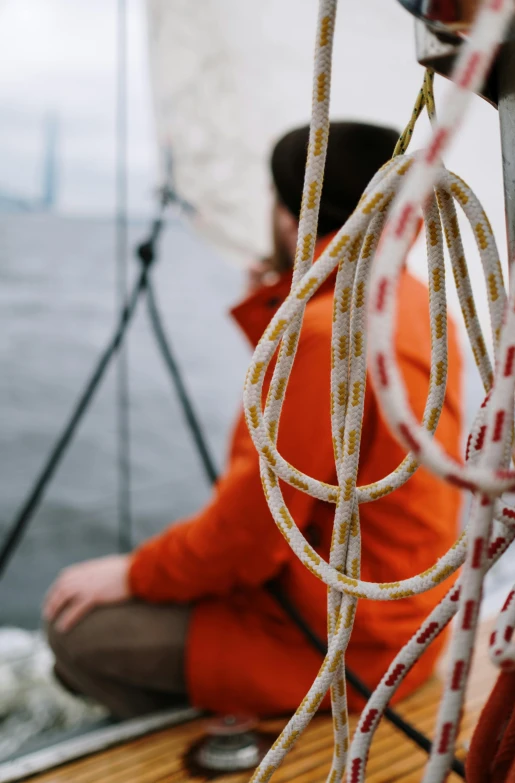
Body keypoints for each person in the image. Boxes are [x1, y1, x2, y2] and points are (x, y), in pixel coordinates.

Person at [44, 122, 463, 720]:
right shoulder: (413, 301)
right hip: (407, 628)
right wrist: (288, 298)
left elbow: (252, 536)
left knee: (77, 636)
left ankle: (235, 733)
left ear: (293, 218)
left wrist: (136, 574)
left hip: (349, 651)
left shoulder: (322, 335)